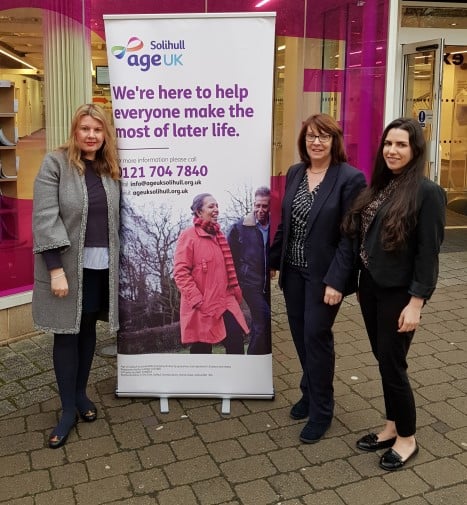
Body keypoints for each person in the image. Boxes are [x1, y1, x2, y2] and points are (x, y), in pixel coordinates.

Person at [343, 117, 446, 471]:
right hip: (371, 288)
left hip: (400, 295)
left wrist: (416, 302)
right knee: (383, 360)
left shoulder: (428, 193)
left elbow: (428, 253)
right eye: (389, 143)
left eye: (401, 144)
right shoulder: (381, 186)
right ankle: (391, 426)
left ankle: (407, 439)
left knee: (393, 364)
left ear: (415, 150)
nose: (392, 150)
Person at [270, 113, 366, 444]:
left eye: (323, 136)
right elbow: (286, 223)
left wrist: (337, 281)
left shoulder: (350, 179)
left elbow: (349, 237)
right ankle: (309, 393)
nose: (316, 142)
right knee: (300, 335)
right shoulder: (296, 172)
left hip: (324, 277)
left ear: (334, 140)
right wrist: (272, 260)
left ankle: (322, 411)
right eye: (311, 136)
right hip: (293, 272)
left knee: (317, 336)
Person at [32, 104, 121, 448]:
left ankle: (82, 394)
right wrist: (55, 270)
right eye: (85, 128)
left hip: (100, 266)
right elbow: (44, 218)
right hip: (68, 269)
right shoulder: (55, 163)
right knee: (66, 335)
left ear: (104, 134)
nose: (91, 135)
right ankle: (67, 409)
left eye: (97, 130)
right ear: (75, 131)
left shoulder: (108, 167)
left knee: (86, 330)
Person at [174, 193, 249, 354]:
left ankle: (234, 378)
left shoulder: (220, 236)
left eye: (217, 206)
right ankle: (202, 379)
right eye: (211, 206)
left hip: (224, 300)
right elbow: (180, 273)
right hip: (201, 305)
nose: (216, 209)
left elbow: (227, 270)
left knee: (235, 341)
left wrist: (235, 292)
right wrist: (197, 300)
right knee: (202, 350)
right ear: (199, 212)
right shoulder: (188, 236)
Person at [227, 186, 271, 355]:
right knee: (264, 320)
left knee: (259, 324)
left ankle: (260, 360)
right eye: (257, 205)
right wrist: (237, 281)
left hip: (266, 284)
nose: (260, 210)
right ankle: (252, 359)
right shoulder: (239, 227)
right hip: (249, 284)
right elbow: (229, 257)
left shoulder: (273, 225)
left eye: (264, 206)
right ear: (253, 204)